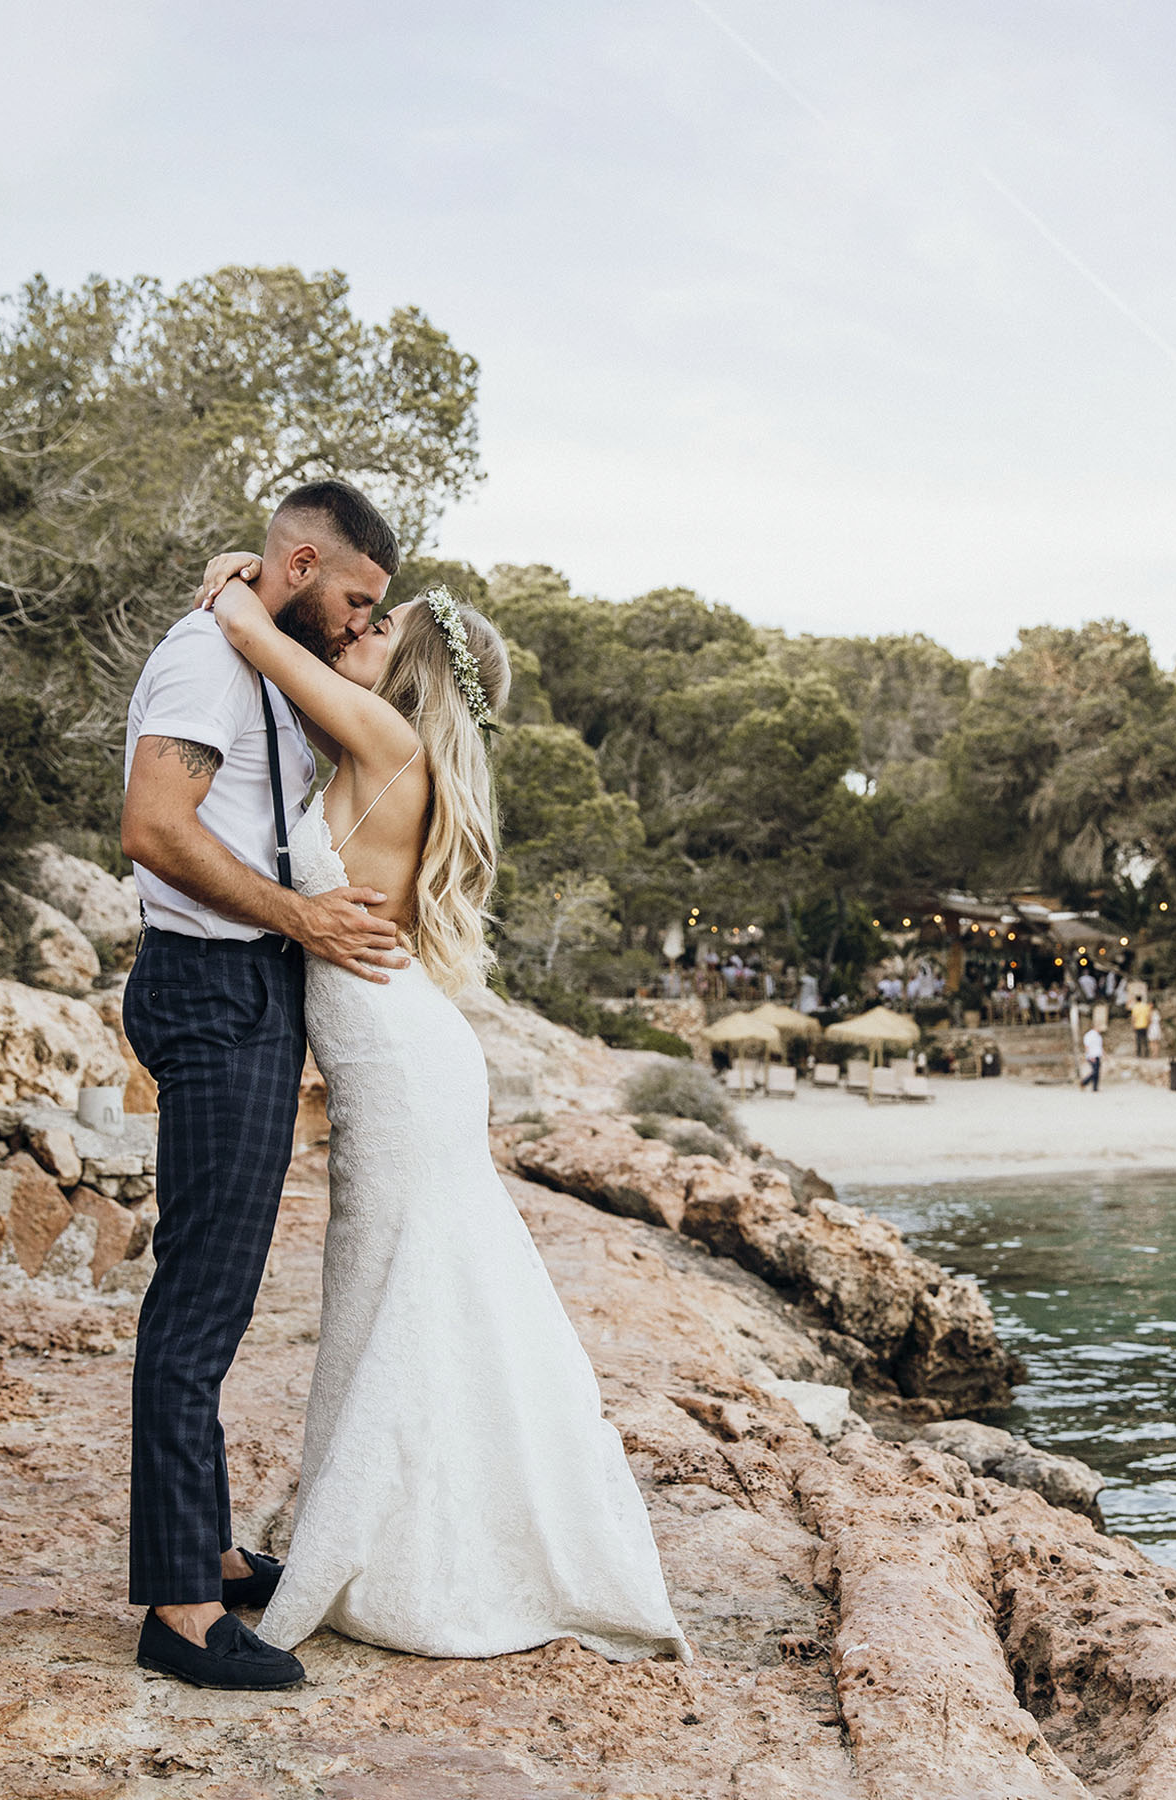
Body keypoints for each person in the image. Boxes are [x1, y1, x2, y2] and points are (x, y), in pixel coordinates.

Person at [194, 552, 692, 1671]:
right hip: (400, 1045)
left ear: (411, 669)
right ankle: (399, 1527)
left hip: (399, 1057)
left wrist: (236, 586)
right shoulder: (374, 750)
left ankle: (422, 1553)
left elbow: (255, 640)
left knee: (410, 1278)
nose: (355, 633)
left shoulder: (388, 744)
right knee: (395, 1279)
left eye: (380, 629)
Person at [120, 481, 408, 1691]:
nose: (355, 625)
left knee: (221, 1298)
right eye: (351, 599)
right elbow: (154, 825)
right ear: (300, 562)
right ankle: (181, 1612)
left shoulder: (257, 649)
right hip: (212, 984)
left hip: (246, 985)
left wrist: (258, 598)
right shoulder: (204, 664)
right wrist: (301, 919)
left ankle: (207, 1551)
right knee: (198, 1307)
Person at [1080, 1021, 1103, 1091]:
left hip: (1097, 1055)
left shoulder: (1098, 1036)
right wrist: (1090, 1056)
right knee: (1095, 1072)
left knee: (1097, 1072)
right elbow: (1087, 1046)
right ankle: (1084, 1082)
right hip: (1092, 1055)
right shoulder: (1089, 1035)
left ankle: (1095, 1088)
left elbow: (1100, 1046)